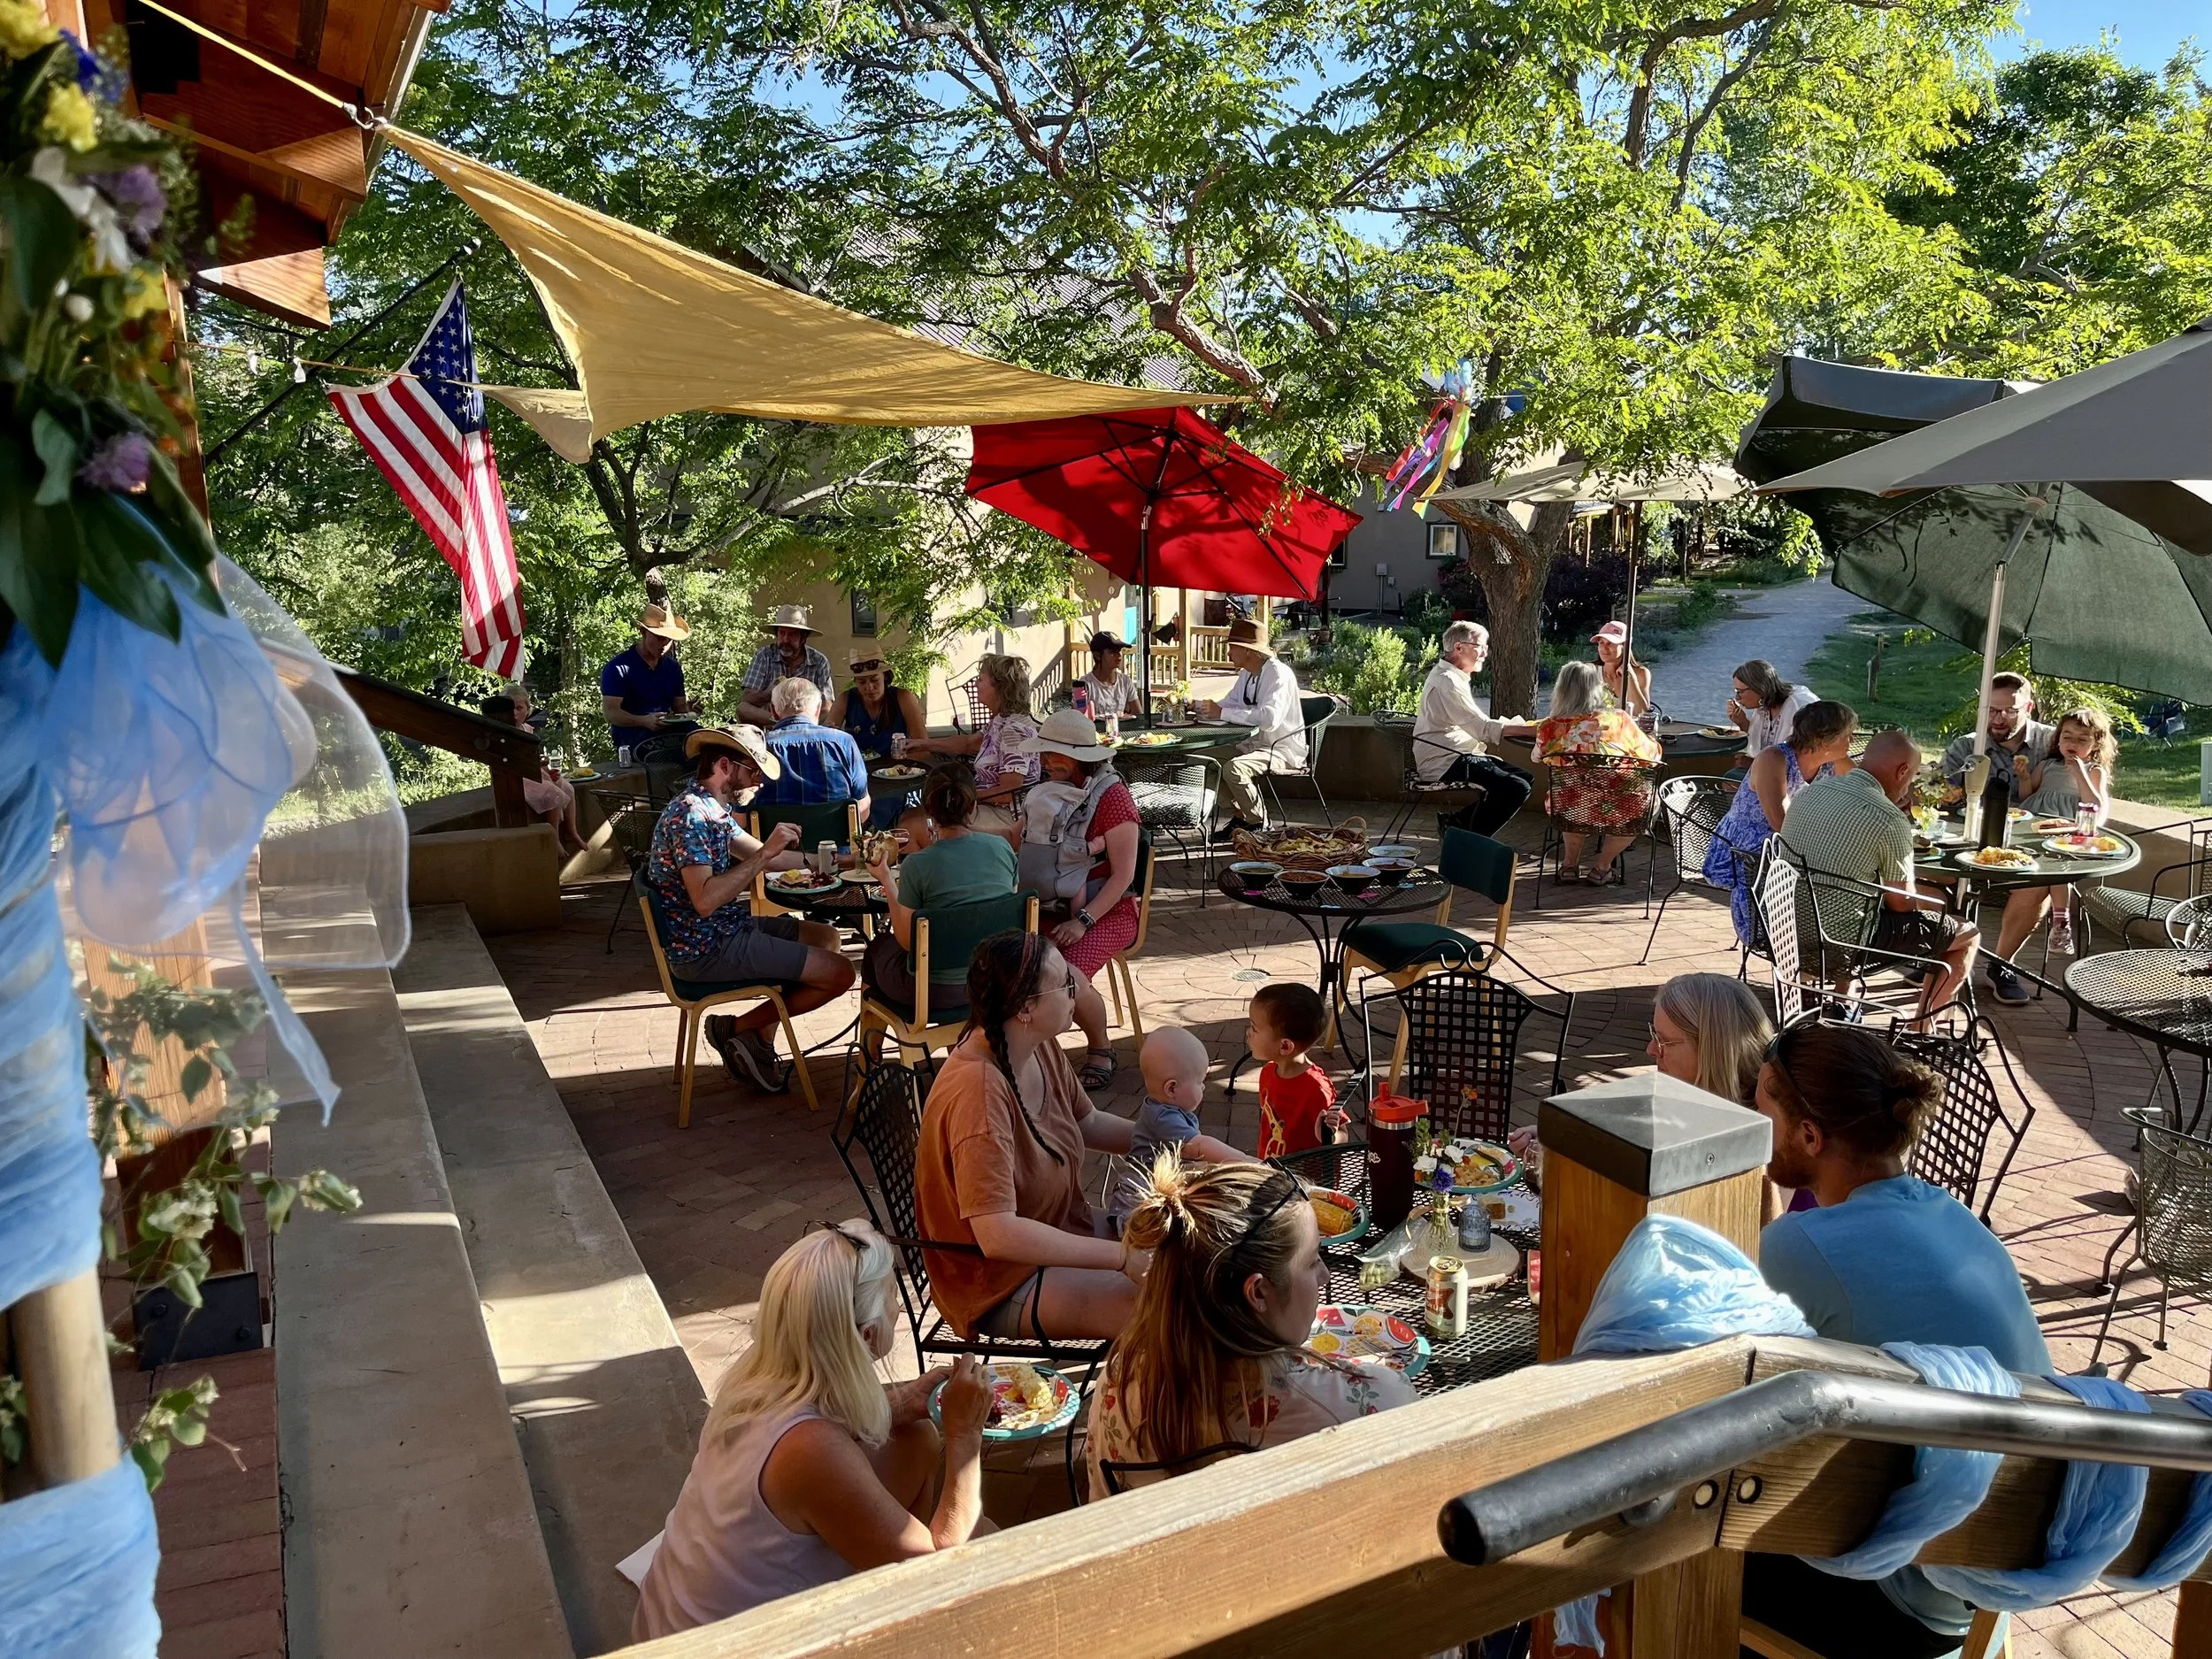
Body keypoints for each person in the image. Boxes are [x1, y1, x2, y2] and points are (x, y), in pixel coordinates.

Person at [1745, 1020, 2051, 1659]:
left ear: (1809, 1134)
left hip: (1899, 1606)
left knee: (1659, 1532)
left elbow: (1712, 1383)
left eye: (1763, 1111)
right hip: (1989, 1584)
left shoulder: (1802, 1246)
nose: (1754, 1131)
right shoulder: (1953, 1214)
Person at [631, 1224, 991, 1639]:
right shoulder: (810, 1451)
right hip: (728, 1646)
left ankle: (891, 1588)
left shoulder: (758, 1377)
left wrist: (903, 1401)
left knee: (916, 1437)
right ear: (867, 1335)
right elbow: (941, 1575)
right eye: (892, 1294)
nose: (898, 1305)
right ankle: (907, 1616)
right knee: (954, 1570)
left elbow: (830, 1415)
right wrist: (966, 1436)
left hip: (674, 1626)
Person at [1086, 1159, 1415, 1498]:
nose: (1325, 1277)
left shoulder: (1117, 1383)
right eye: (1313, 1260)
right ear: (1258, 1292)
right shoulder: (1372, 1406)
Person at [913, 932, 1146, 1342]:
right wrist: (1121, 1257)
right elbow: (998, 1234)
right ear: (1025, 1008)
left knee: (1188, 1255)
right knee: (1170, 1312)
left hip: (1058, 1229)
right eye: (1066, 982)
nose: (1079, 984)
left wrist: (1171, 1142)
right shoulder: (979, 1093)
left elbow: (1087, 1123)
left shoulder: (1031, 1044)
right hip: (998, 1282)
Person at [647, 726, 858, 1090]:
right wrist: (765, 852)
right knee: (840, 974)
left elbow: (774, 859)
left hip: (726, 929)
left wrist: (846, 857)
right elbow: (706, 899)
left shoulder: (711, 809)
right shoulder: (692, 817)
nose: (759, 781)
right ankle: (736, 1029)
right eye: (753, 770)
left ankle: (757, 1039)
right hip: (704, 948)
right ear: (725, 766)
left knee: (824, 937)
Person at [1773, 730, 1977, 1024]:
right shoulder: (1889, 819)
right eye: (1911, 777)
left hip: (1783, 928)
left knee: (1857, 899)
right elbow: (1903, 906)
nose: (1908, 787)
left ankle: (1844, 999)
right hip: (1840, 945)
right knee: (1967, 933)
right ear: (1903, 771)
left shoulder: (1811, 792)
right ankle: (1923, 1027)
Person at [1016, 708, 1145, 1092]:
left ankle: (1101, 1047)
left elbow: (1123, 877)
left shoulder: (1114, 798)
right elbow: (1016, 837)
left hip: (1109, 912)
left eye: (1052, 754)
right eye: (1043, 753)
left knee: (1065, 972)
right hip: (1051, 907)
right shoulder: (1048, 789)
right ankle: (1029, 1049)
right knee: (1010, 958)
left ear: (1077, 757)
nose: (1044, 761)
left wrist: (1083, 921)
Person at [860, 767, 1017, 1018]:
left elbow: (906, 941)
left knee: (877, 949)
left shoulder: (917, 864)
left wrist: (886, 879)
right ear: (973, 807)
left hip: (932, 991)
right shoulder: (1002, 849)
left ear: (928, 811)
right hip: (993, 983)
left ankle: (872, 1051)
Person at [1704, 699, 1858, 944]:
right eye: (1847, 735)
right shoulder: (1774, 758)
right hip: (1744, 850)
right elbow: (1780, 822)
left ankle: (1824, 940)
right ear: (1823, 740)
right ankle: (1789, 942)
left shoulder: (1832, 760)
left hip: (1788, 845)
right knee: (1827, 869)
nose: (1851, 742)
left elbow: (1867, 788)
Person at [1992, 706, 2116, 964]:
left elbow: (2096, 807)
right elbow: (2028, 796)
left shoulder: (2094, 770)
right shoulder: (2048, 764)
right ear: (2058, 739)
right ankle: (2060, 921)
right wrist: (2024, 776)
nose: (2073, 743)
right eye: (2067, 736)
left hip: (2067, 831)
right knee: (2049, 869)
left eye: (2082, 739)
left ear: (2095, 744)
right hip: (2034, 827)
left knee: (2057, 869)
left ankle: (2061, 920)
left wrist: (2080, 773)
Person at [1534, 660, 1663, 886]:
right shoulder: (1619, 719)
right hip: (1620, 807)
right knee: (1646, 805)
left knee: (1572, 797)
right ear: (1597, 688)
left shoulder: (1549, 727)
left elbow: (1537, 757)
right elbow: (1651, 757)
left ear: (1560, 690)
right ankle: (1602, 867)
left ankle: (1569, 866)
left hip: (1567, 807)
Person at [1110, 1027, 1250, 1225]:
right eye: (1200, 1082)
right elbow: (1199, 1146)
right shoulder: (1164, 1118)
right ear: (1172, 1088)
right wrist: (1245, 1161)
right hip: (1142, 1195)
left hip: (1161, 1186)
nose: (1203, 1087)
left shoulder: (1163, 1109)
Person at [1409, 620, 1535, 839]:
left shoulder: (1451, 675)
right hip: (1446, 760)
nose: (1486, 653)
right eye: (1480, 646)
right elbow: (1482, 729)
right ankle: (1469, 841)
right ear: (1459, 648)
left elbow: (1476, 723)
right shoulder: (1448, 682)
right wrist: (1535, 731)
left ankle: (1457, 824)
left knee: (1525, 778)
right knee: (1517, 788)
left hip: (1455, 754)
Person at [1195, 618, 1304, 842]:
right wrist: (1194, 706)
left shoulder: (1278, 675)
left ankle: (1260, 822)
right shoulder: (1247, 674)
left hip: (1280, 748)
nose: (1228, 653)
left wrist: (1222, 713)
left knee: (1234, 769)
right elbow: (1228, 704)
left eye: (1232, 647)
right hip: (1254, 745)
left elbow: (1270, 720)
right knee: (1201, 761)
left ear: (1248, 651)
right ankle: (1242, 816)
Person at [904, 654, 1040, 834]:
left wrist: (962, 797)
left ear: (999, 687)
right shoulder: (1000, 721)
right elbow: (969, 743)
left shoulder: (1013, 732)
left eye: (980, 679)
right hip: (982, 806)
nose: (975, 685)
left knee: (912, 826)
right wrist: (924, 744)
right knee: (910, 816)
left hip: (1005, 817)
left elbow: (1008, 793)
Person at [830, 649, 928, 828]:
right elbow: (826, 741)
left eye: (874, 680)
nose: (869, 687)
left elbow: (923, 746)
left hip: (894, 780)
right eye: (862, 682)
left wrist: (900, 766)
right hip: (857, 777)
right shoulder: (846, 699)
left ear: (885, 677)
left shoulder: (903, 697)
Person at [1246, 983, 1342, 1157]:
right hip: (1273, 1169)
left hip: (1305, 1180)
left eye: (1254, 1028)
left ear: (1284, 1045)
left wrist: (1332, 1136)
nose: (1248, 1033)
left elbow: (1342, 1133)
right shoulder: (1268, 1072)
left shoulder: (1317, 1089)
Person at [760, 678, 872, 819]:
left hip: (773, 841)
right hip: (836, 840)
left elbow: (740, 818)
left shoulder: (757, 747)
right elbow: (862, 810)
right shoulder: (844, 742)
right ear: (818, 709)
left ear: (773, 711)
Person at [1938, 670, 2055, 804]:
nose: (1998, 720)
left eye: (2010, 711)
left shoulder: (2052, 743)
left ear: (2028, 708)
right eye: (1991, 710)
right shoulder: (1966, 747)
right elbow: (1940, 789)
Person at [602, 603, 696, 762]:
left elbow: (678, 709)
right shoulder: (618, 667)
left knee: (708, 744)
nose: (664, 644)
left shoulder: (672, 668)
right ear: (644, 632)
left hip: (671, 732)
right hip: (634, 737)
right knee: (674, 756)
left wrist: (690, 710)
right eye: (659, 638)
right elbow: (611, 713)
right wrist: (644, 721)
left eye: (669, 640)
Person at [507, 682, 586, 855]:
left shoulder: (527, 729)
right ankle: (554, 836)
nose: (514, 713)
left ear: (527, 710)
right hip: (521, 777)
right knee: (553, 793)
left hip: (534, 772)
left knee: (568, 788)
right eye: (510, 708)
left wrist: (547, 769)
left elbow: (533, 759)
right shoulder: (506, 733)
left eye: (519, 708)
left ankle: (572, 831)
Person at [739, 604, 836, 728]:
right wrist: (769, 693)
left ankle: (797, 726)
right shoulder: (764, 656)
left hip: (806, 726)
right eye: (782, 633)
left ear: (803, 638)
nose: (785, 640)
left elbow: (827, 706)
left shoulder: (819, 661)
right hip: (772, 722)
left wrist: (805, 724)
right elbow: (747, 699)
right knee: (742, 708)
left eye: (792, 635)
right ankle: (782, 724)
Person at [1726, 660, 1816, 760]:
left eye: (1740, 692)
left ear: (1759, 688)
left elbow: (1801, 758)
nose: (1737, 698)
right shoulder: (1763, 705)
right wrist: (1742, 722)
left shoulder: (1798, 706)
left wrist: (1753, 764)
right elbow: (1761, 744)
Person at [1076, 632, 1146, 720]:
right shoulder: (1085, 684)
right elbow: (1079, 719)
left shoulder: (1125, 681)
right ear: (1097, 655)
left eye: (1120, 650)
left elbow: (1139, 715)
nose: (1119, 655)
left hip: (1121, 731)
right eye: (1113, 652)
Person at [1591, 620, 1653, 716]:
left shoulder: (1641, 673)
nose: (1604, 648)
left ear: (1625, 645)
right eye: (1601, 643)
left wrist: (1631, 678)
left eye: (1610, 643)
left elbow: (1641, 713)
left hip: (1628, 729)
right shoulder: (1590, 672)